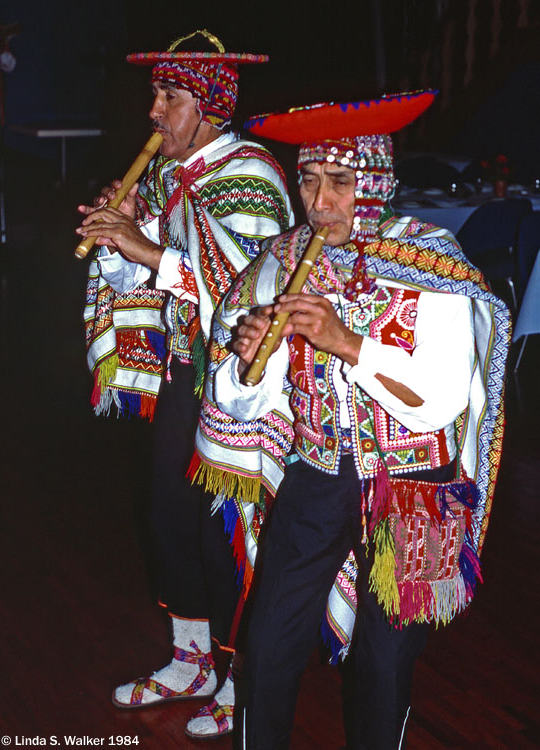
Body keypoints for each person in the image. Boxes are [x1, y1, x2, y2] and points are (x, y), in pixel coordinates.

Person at [204, 91, 511, 749]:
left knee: (382, 662)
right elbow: (244, 401)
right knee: (268, 640)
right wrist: (248, 359)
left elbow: (441, 399)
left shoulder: (429, 260)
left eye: (339, 183)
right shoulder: (285, 260)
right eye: (309, 180)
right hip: (317, 473)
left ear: (372, 183)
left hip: (417, 486)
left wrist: (347, 343)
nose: (320, 202)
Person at [77, 29, 293, 740]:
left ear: (206, 107)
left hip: (238, 383)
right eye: (154, 95)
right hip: (183, 371)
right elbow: (155, 278)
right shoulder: (171, 176)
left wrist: (146, 245)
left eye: (168, 98)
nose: (153, 113)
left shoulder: (249, 175)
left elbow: (250, 289)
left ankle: (241, 675)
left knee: (222, 528)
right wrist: (122, 239)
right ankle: (191, 660)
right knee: (170, 515)